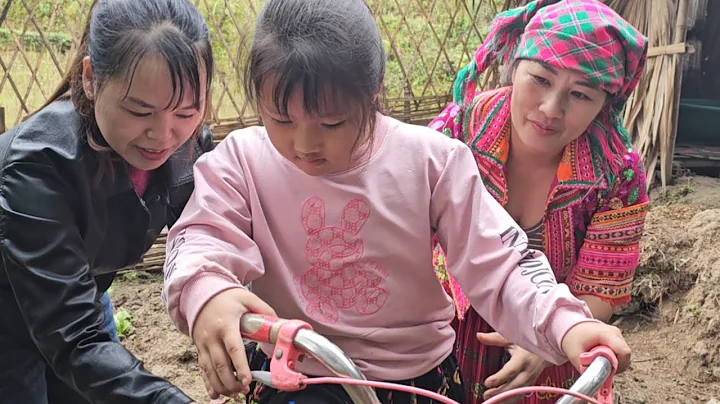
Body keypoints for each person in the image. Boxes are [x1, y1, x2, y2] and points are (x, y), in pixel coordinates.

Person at [162, 0, 634, 403]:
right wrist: (208, 292)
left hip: (417, 377)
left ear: (372, 98)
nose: (305, 144)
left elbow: (501, 261)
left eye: (331, 124)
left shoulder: (432, 160)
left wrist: (566, 323)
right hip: (304, 370)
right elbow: (201, 235)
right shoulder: (240, 162)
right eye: (280, 119)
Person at [428, 0, 651, 402]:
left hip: (555, 346)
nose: (552, 109)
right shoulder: (455, 133)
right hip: (442, 335)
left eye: (580, 94)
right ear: (515, 67)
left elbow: (599, 287)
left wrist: (543, 345)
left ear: (606, 103)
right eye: (541, 79)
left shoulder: (616, 175)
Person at [0, 0, 215, 402]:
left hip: (79, 300)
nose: (163, 136)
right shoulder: (40, 165)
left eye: (186, 112)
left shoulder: (189, 150)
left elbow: (213, 240)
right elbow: (74, 338)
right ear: (91, 78)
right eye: (140, 111)